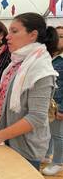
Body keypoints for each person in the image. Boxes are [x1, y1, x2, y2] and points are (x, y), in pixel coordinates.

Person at [0, 13, 58, 170]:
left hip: (25, 147)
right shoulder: (21, 61)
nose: (7, 37)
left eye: (14, 31)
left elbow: (36, 117)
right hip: (11, 139)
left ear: (32, 35)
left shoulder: (40, 69)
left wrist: (0, 135)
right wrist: (1, 89)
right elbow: (20, 92)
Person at [42, 26, 63, 176]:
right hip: (48, 103)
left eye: (62, 36)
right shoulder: (48, 56)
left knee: (58, 134)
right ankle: (48, 155)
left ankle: (58, 162)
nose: (58, 39)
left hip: (59, 105)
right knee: (48, 131)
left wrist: (62, 109)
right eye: (57, 36)